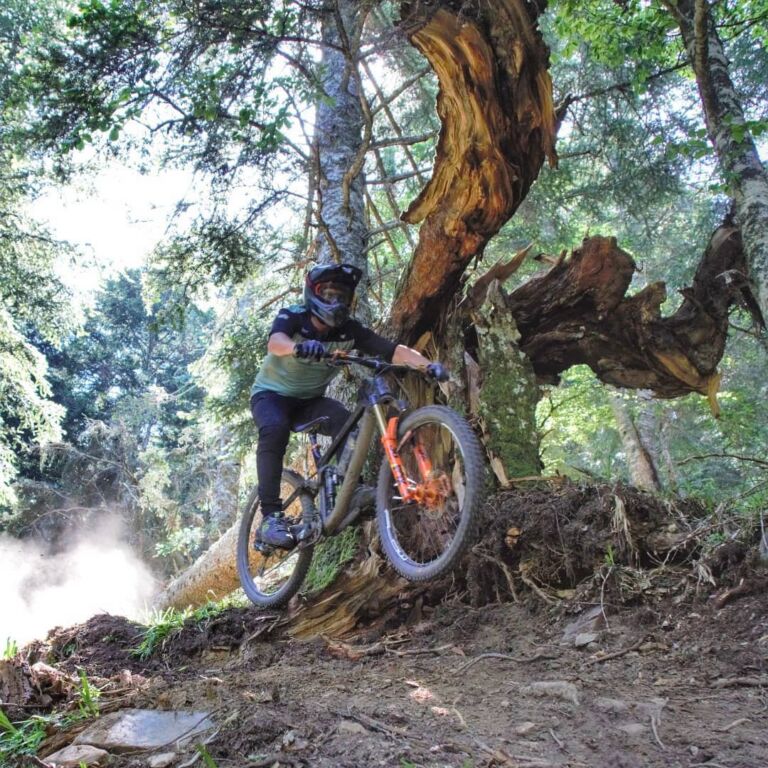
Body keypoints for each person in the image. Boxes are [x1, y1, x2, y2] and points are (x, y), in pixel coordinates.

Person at [250, 262, 446, 549]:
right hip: (271, 395)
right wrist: (297, 347)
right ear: (313, 294)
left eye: (342, 295)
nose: (336, 301)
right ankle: (270, 518)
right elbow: (275, 342)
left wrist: (427, 366)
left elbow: (393, 350)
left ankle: (349, 490)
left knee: (345, 423)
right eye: (328, 293)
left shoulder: (349, 331)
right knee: (274, 429)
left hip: (310, 402)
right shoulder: (294, 316)